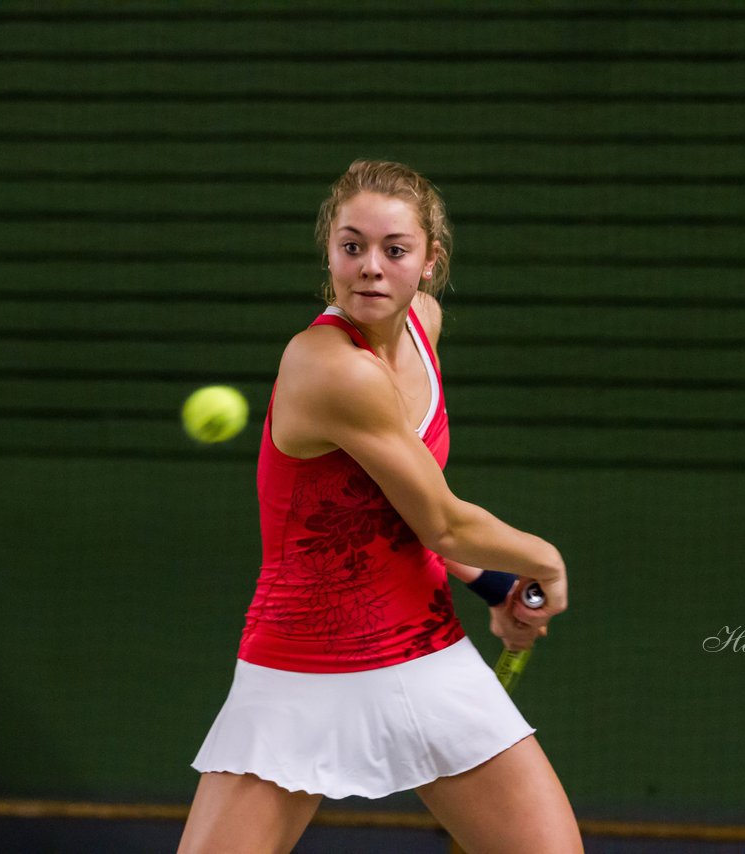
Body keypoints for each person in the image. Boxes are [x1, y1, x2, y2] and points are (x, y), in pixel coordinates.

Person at [178, 159, 581, 854]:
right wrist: (545, 560)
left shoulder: (425, 325)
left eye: (394, 250)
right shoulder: (328, 366)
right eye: (351, 245)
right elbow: (443, 520)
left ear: (430, 264)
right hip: (298, 670)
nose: (370, 266)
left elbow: (395, 515)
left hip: (424, 657)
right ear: (330, 253)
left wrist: (491, 581)